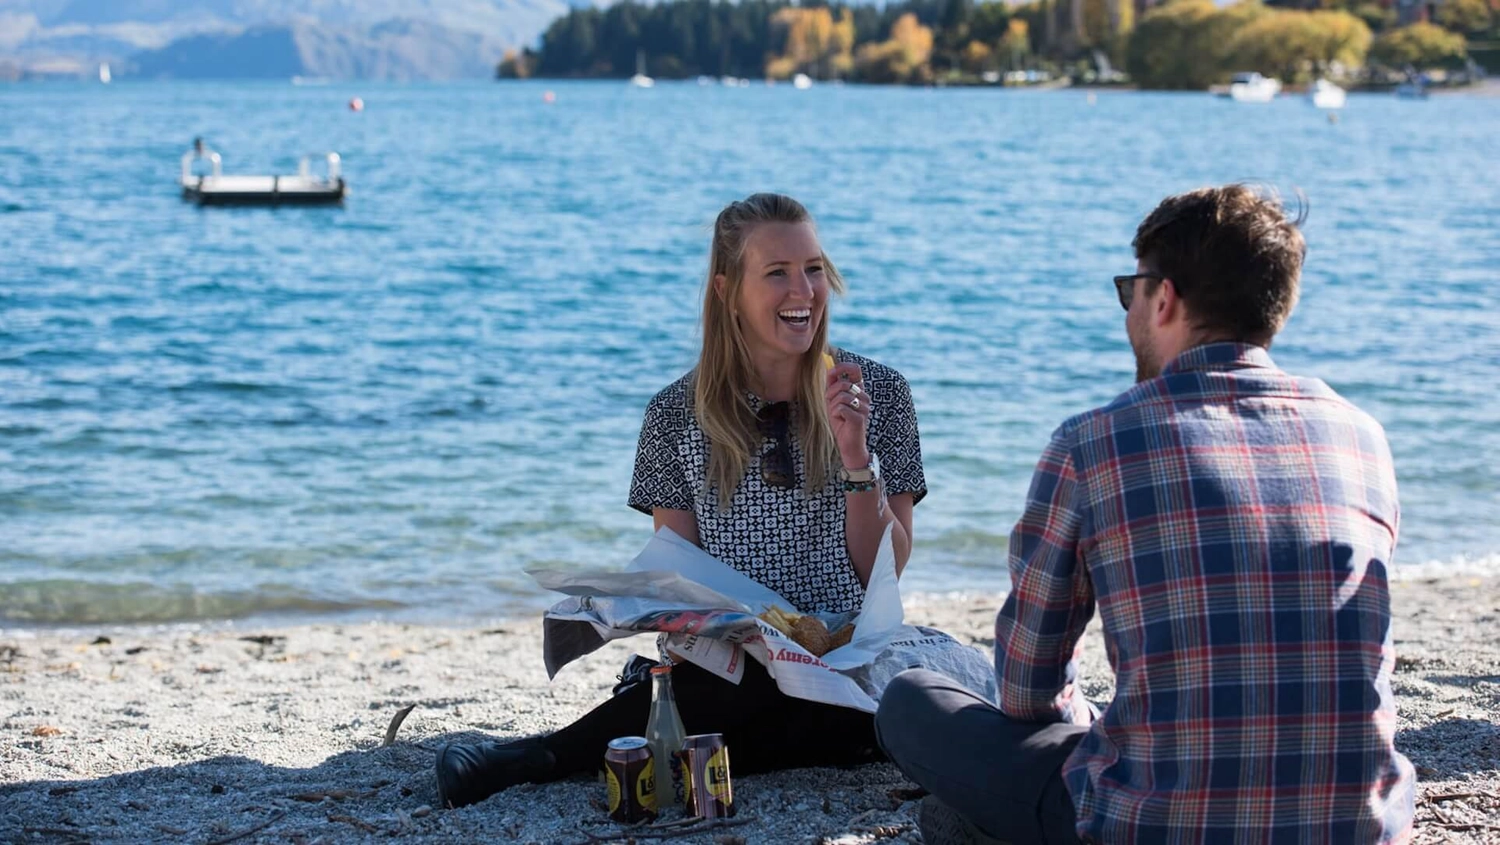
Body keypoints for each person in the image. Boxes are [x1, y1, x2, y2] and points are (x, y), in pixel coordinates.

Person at [876, 185, 1412, 844]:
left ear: (1163, 298)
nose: (1129, 308)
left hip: (1158, 824)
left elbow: (1024, 690)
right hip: (1355, 823)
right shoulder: (1362, 438)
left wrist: (1085, 720)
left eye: (1131, 290)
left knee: (911, 700)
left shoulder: (1093, 442)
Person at [435, 193, 927, 808]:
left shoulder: (876, 391)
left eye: (813, 268)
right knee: (742, 686)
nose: (803, 290)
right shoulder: (674, 415)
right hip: (735, 666)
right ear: (726, 291)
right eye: (776, 272)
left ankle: (550, 755)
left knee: (852, 704)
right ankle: (595, 742)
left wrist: (856, 461)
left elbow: (886, 570)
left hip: (853, 657)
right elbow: (678, 581)